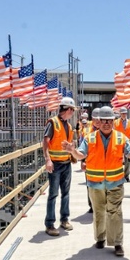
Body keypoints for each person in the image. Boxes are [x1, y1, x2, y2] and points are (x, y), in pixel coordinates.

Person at [62, 106, 130, 257]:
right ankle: (100, 238)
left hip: (115, 182)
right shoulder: (90, 138)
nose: (106, 123)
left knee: (115, 213)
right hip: (95, 183)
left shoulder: (121, 138)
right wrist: (72, 151)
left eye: (109, 120)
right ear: (97, 122)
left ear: (113, 121)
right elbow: (80, 155)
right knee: (99, 212)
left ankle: (117, 243)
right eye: (103, 120)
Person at [42, 97, 78, 236]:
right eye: (73, 110)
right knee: (53, 194)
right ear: (68, 109)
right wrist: (47, 160)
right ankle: (49, 224)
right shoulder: (53, 123)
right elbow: (45, 142)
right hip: (55, 164)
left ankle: (64, 219)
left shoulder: (68, 126)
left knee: (66, 193)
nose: (73, 113)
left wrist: (72, 153)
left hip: (66, 163)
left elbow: (68, 144)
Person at [80, 107, 101, 213]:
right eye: (95, 119)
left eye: (99, 119)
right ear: (92, 119)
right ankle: (92, 205)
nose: (97, 121)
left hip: (103, 163)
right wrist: (82, 162)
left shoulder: (106, 130)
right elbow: (82, 148)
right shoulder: (86, 131)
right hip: (90, 163)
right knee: (90, 185)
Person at [113, 107, 130, 182]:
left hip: (128, 143)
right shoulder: (115, 122)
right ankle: (118, 175)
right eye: (122, 113)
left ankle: (126, 175)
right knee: (118, 159)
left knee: (128, 160)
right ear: (120, 114)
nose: (124, 114)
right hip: (118, 143)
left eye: (125, 113)